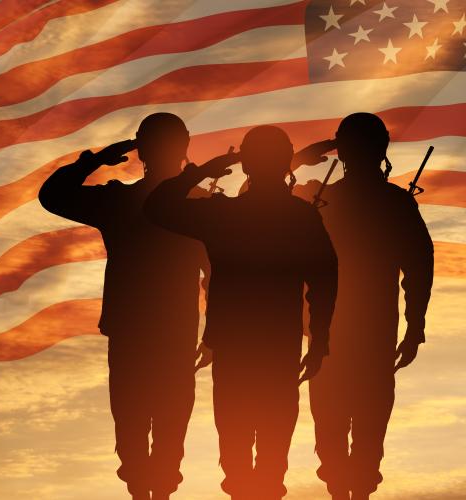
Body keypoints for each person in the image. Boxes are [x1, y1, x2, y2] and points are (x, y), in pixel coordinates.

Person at [144, 125, 337, 499]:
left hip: (234, 346)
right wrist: (319, 340)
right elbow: (325, 281)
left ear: (246, 163)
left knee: (237, 451)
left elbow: (157, 208)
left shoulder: (224, 216)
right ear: (285, 163)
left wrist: (205, 169)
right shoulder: (301, 217)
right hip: (277, 346)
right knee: (270, 454)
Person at [38, 113, 213, 500]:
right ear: (184, 145)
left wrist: (95, 161)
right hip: (162, 330)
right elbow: (213, 272)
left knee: (147, 430)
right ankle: (148, 485)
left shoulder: (122, 201)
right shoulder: (190, 203)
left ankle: (148, 486)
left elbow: (53, 195)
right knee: (153, 430)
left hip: (149, 330)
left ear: (141, 149)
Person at [296, 113, 434, 500]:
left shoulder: (322, 202)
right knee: (356, 433)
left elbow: (420, 267)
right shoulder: (387, 204)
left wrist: (415, 326)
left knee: (342, 431)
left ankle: (348, 490)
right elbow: (420, 268)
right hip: (350, 333)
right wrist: (414, 326)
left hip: (340, 333)